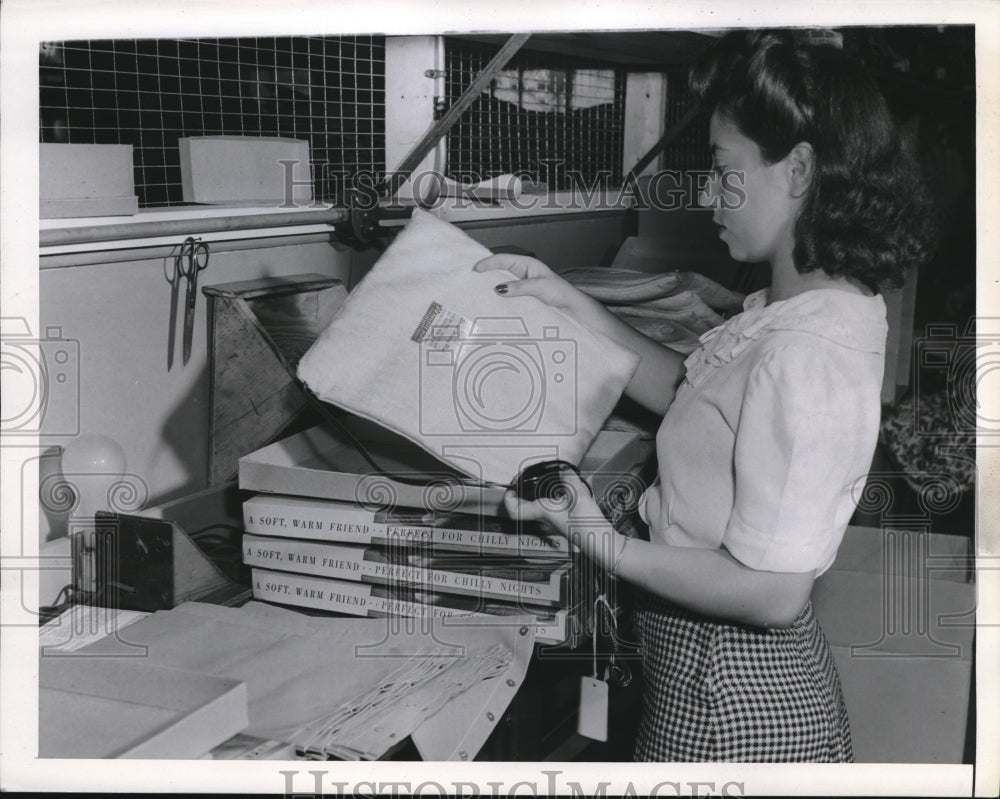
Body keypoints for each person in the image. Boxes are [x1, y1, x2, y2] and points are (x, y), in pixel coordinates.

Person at [474, 30, 935, 762]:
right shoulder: (800, 311)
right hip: (710, 677)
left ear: (801, 170)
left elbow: (774, 592)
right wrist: (567, 302)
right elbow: (692, 391)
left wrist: (601, 541)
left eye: (723, 171)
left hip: (732, 701)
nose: (707, 192)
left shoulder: (805, 354)